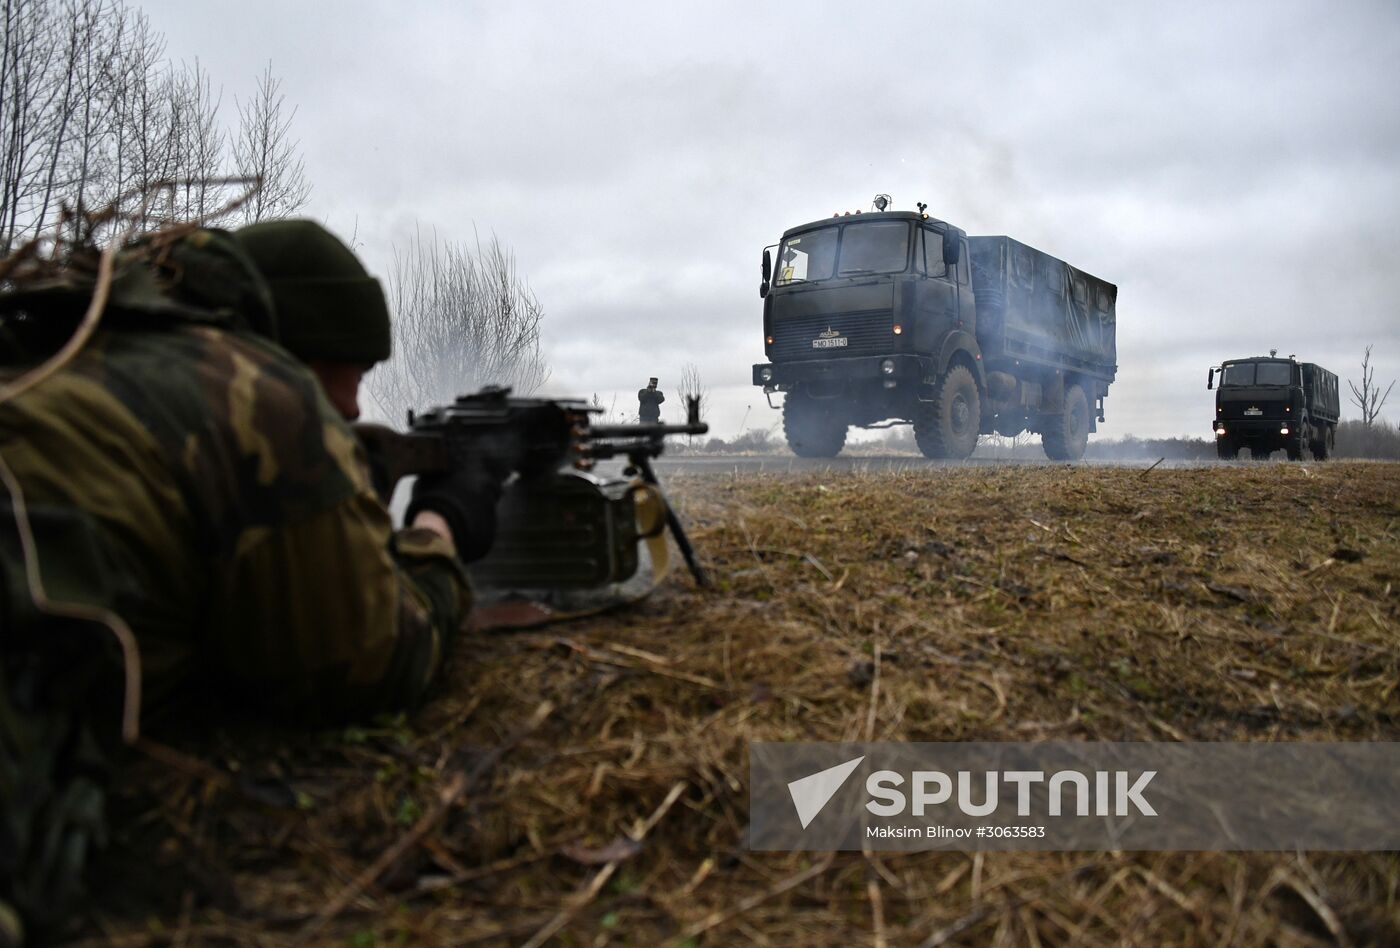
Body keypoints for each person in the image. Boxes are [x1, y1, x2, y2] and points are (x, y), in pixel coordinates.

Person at [0, 220, 497, 935]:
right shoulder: (255, 390)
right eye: (355, 373)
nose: (355, 408)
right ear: (293, 346)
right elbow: (377, 656)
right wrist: (441, 525)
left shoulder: (61, 359)